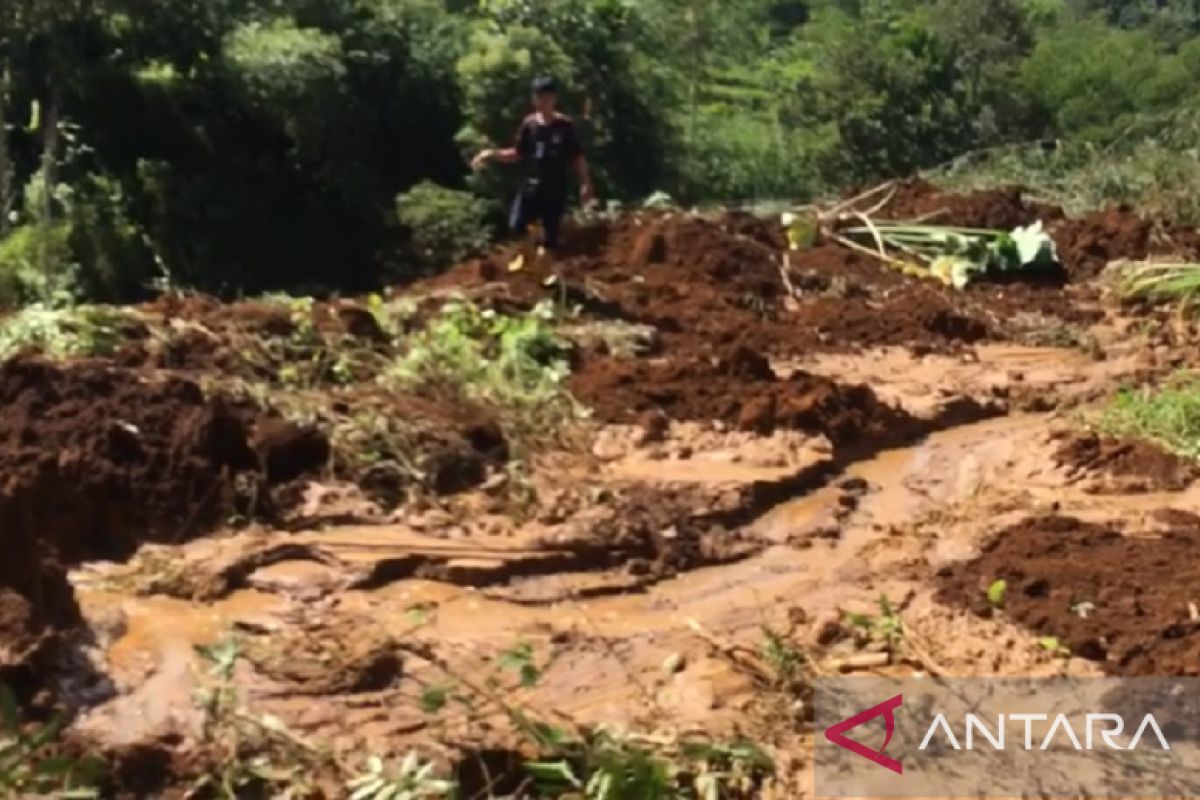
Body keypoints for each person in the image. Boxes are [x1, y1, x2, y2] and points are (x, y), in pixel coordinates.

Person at [471, 76, 594, 251]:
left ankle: (547, 268)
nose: (543, 102)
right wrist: (491, 154)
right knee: (516, 225)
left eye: (547, 97)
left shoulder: (564, 126)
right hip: (532, 186)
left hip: (555, 189)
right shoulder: (529, 125)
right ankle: (528, 257)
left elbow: (577, 157)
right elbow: (517, 153)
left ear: (554, 99)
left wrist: (585, 183)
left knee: (551, 239)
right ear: (534, 99)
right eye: (539, 97)